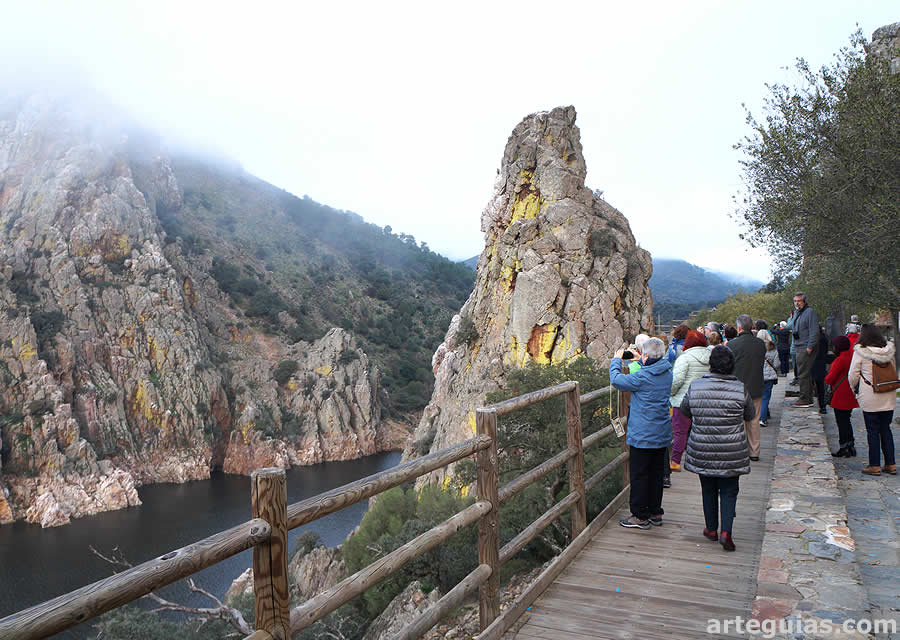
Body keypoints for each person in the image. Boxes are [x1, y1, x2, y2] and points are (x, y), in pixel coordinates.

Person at [681, 345, 754, 551]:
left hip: (703, 447)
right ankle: (726, 531)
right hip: (732, 449)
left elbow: (686, 410)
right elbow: (750, 414)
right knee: (730, 491)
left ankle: (711, 529)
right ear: (732, 365)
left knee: (708, 488)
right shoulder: (740, 388)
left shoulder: (696, 386)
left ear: (710, 364)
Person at [610, 338, 673, 529]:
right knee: (655, 473)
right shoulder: (667, 371)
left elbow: (616, 380)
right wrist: (640, 360)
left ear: (646, 356)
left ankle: (639, 516)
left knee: (639, 474)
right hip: (661, 432)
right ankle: (655, 512)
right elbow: (649, 369)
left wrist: (616, 360)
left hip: (643, 434)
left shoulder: (642, 377)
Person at [847, 325, 897, 476]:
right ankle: (891, 464)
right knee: (886, 429)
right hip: (888, 394)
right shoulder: (889, 351)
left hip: (870, 395)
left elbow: (853, 375)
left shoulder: (861, 352)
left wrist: (854, 388)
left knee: (872, 430)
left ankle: (874, 465)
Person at [668, 330, 709, 472]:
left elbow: (676, 381)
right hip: (704, 400)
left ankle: (675, 461)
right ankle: (701, 460)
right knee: (701, 431)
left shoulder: (684, 358)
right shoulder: (711, 357)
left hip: (683, 401)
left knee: (680, 432)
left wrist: (671, 394)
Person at [728, 315, 767, 461]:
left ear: (738, 328)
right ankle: (754, 452)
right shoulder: (760, 344)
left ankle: (739, 449)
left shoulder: (732, 345)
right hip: (756, 385)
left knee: (738, 420)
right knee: (754, 420)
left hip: (737, 388)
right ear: (752, 327)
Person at [826, 335, 858, 457]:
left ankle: (844, 446)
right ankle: (851, 445)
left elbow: (829, 379)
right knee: (847, 420)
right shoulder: (852, 357)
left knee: (841, 422)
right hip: (850, 393)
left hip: (840, 394)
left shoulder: (840, 360)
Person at [790, 292, 820, 407]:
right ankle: (807, 397)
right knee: (803, 373)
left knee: (803, 374)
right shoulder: (797, 313)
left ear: (804, 301)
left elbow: (814, 331)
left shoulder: (810, 312)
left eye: (799, 301)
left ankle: (804, 399)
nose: (797, 303)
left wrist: (810, 347)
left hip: (805, 347)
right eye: (795, 301)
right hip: (799, 346)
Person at [756, 329, 780, 427]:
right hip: (769, 377)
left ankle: (761, 415)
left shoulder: (756, 347)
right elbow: (777, 364)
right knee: (766, 397)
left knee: (759, 397)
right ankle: (763, 418)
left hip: (758, 376)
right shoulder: (772, 348)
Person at [811, 326, 830, 414]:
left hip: (812, 363)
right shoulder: (824, 338)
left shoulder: (812, 338)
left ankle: (810, 401)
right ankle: (822, 406)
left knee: (812, 384)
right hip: (821, 363)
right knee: (820, 386)